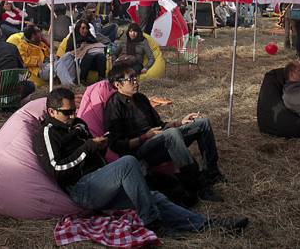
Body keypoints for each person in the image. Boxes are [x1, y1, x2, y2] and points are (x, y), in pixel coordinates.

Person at [35, 88, 249, 235]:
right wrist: (90, 147)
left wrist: (97, 146)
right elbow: (57, 169)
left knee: (154, 196)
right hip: (83, 188)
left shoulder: (81, 123)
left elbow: (159, 124)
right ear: (52, 112)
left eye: (74, 110)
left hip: (103, 179)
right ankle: (152, 222)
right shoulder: (48, 132)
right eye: (67, 113)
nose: (73, 115)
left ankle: (210, 225)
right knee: (129, 163)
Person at [103, 64, 225, 202]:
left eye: (136, 77)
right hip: (140, 152)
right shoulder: (113, 107)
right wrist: (145, 137)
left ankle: (212, 173)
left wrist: (180, 122)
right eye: (130, 79)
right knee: (172, 134)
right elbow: (116, 145)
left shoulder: (141, 98)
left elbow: (160, 125)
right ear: (118, 84)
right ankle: (196, 184)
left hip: (159, 138)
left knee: (203, 123)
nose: (136, 81)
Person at [65, 19, 107, 84]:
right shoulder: (73, 37)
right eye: (83, 28)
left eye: (86, 28)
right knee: (89, 56)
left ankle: (101, 78)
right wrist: (81, 48)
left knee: (101, 56)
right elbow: (68, 53)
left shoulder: (89, 36)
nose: (85, 30)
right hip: (78, 63)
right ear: (78, 28)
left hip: (93, 63)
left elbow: (96, 43)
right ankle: (82, 79)